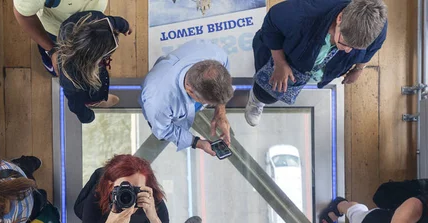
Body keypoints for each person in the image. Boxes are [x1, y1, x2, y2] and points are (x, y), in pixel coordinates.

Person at [245, 0, 388, 127]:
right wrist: (280, 62)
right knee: (267, 92)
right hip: (288, 50)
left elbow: (373, 48)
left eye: (355, 48)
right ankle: (257, 99)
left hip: (318, 62)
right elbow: (271, 23)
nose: (347, 50)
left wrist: (359, 68)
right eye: (345, 43)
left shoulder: (376, 24)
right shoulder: (303, 13)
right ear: (339, 18)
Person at [140, 39, 234, 156]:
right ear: (190, 90)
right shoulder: (158, 100)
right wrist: (198, 143)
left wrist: (221, 111)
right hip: (162, 108)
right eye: (207, 102)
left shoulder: (217, 55)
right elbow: (163, 129)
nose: (210, 105)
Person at [54, 11, 131, 123]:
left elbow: (110, 22)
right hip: (87, 92)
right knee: (97, 96)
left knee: (106, 95)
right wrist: (87, 116)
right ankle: (97, 101)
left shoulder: (95, 21)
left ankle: (100, 99)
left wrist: (124, 26)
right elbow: (75, 105)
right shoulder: (71, 81)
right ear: (95, 59)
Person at [13, 0, 108, 75]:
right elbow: (23, 15)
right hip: (54, 30)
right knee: (57, 66)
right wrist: (51, 49)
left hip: (91, 24)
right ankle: (49, 61)